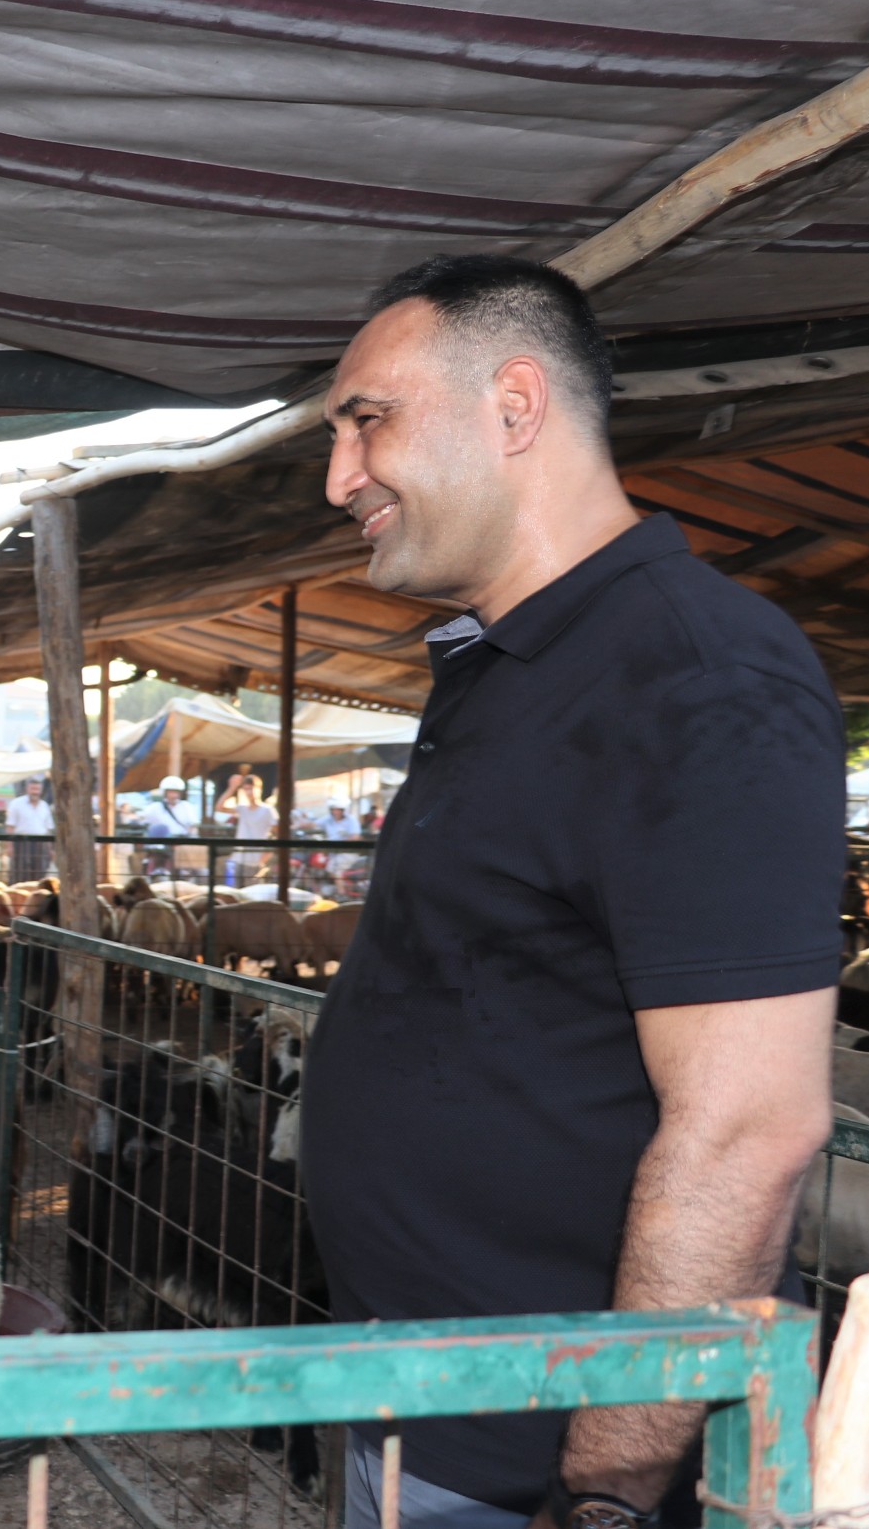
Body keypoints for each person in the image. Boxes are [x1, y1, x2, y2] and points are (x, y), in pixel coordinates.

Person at [302, 255, 838, 1529]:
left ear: (515, 406)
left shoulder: (697, 679)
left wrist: (602, 1489)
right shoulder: (511, 664)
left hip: (540, 1457)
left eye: (366, 420)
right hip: (418, 1400)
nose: (339, 477)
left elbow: (749, 1128)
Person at [218, 771, 281, 885]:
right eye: (246, 789)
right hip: (238, 859)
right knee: (233, 891)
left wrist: (266, 856)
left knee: (252, 892)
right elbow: (219, 807)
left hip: (255, 861)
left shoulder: (268, 810)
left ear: (259, 789)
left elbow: (279, 834)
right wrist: (232, 788)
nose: (249, 792)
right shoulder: (242, 809)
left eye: (252, 788)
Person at [140, 773, 198, 877]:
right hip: (161, 844)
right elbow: (141, 819)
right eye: (171, 792)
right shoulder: (155, 807)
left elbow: (193, 826)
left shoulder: (187, 807)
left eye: (176, 792)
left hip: (181, 843)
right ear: (165, 792)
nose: (173, 795)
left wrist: (190, 839)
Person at [2, 777, 55, 883]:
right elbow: (10, 826)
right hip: (21, 842)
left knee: (40, 872)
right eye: (33, 789)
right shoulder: (16, 803)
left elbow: (48, 829)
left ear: (41, 790)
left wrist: (50, 849)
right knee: (20, 871)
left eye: (37, 789)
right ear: (27, 789)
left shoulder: (44, 806)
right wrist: (9, 846)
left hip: (40, 844)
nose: (35, 792)